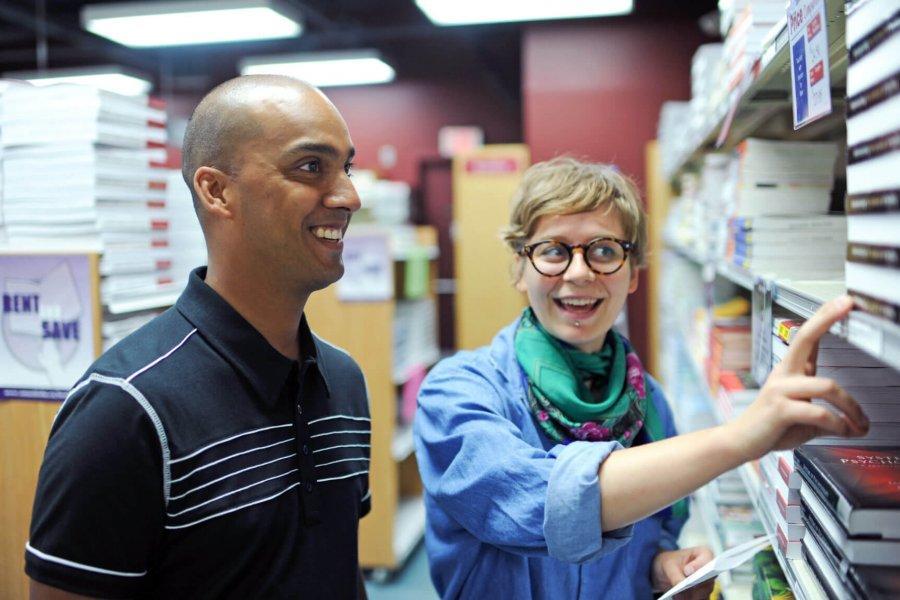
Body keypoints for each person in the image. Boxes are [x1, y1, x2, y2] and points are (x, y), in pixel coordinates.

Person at [413, 157, 869, 599]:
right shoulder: (458, 392)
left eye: (605, 251)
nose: (578, 272)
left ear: (633, 273)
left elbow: (652, 537)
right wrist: (742, 438)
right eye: (553, 251)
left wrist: (660, 568)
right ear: (520, 268)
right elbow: (536, 504)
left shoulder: (648, 401)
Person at [26, 75, 372, 599]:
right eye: (310, 167)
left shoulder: (343, 381)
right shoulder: (124, 411)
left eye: (345, 166)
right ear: (217, 190)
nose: (350, 194)